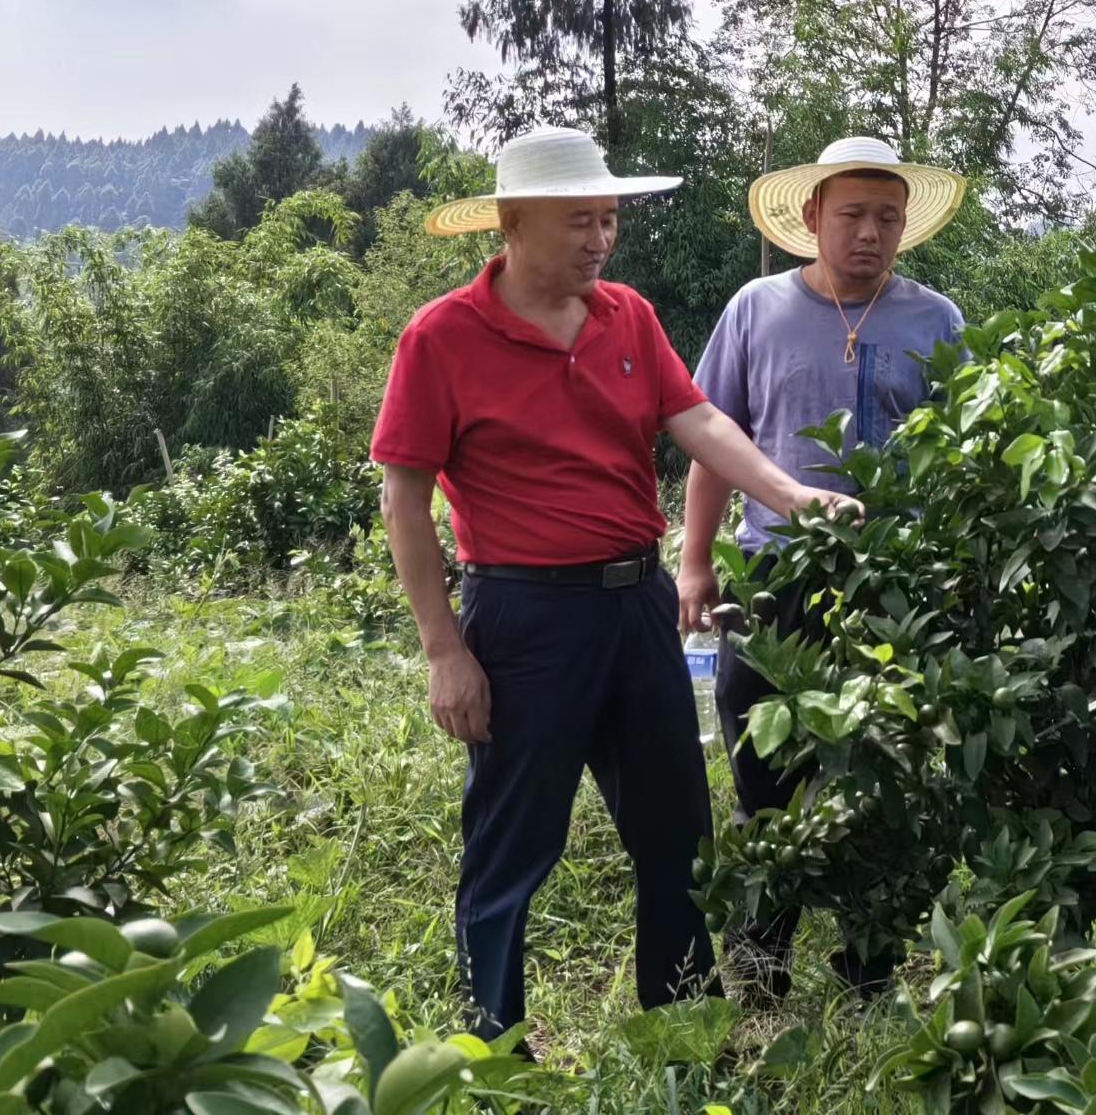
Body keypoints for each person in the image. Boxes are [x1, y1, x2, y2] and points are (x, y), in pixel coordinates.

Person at [369, 124, 857, 1041]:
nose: (599, 240)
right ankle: (491, 1050)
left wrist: (792, 494)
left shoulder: (626, 316)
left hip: (636, 608)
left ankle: (679, 1030)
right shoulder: (441, 338)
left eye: (608, 220)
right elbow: (406, 499)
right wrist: (444, 650)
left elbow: (697, 419)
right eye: (578, 222)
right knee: (512, 848)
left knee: (677, 835)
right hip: (522, 617)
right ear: (511, 226)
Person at [677, 135, 970, 999]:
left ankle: (866, 977)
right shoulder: (755, 311)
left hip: (893, 592)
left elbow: (965, 457)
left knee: (876, 782)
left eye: (887, 216)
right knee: (763, 781)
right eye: (852, 215)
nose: (871, 233)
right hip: (773, 582)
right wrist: (695, 563)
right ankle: (760, 976)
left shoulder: (935, 320)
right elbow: (709, 443)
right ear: (811, 218)